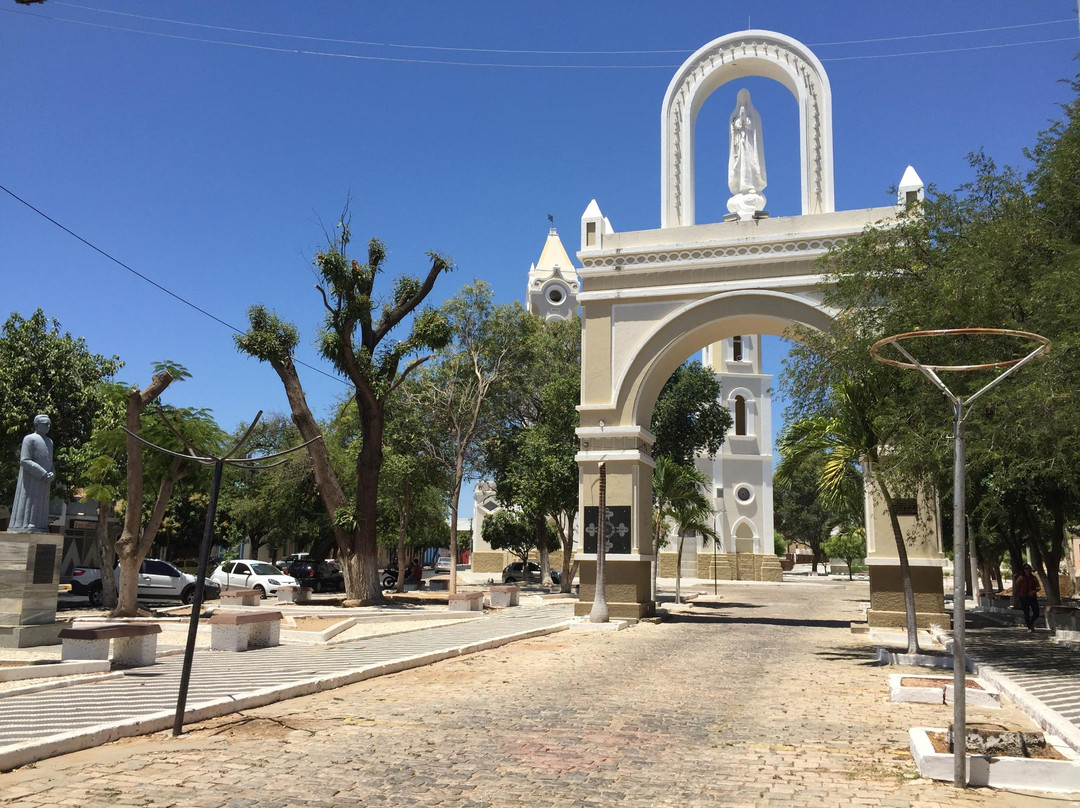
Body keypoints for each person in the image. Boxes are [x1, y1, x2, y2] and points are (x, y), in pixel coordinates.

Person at [7, 414, 55, 533]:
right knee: (30, 502)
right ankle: (26, 524)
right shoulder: (29, 439)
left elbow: (50, 462)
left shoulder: (50, 442)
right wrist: (42, 473)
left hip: (45, 480)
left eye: (49, 424)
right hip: (32, 479)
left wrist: (52, 473)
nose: (48, 426)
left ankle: (40, 525)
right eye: (45, 424)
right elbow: (24, 460)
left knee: (42, 503)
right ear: (37, 425)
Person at [1016, 564, 1041, 632]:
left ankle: (1031, 622)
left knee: (1036, 613)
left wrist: (1034, 591)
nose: (1028, 570)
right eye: (1026, 568)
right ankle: (1030, 627)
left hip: (1032, 596)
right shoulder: (1021, 578)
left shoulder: (1034, 578)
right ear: (1024, 570)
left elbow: (1039, 587)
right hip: (1024, 596)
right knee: (1026, 612)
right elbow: (1017, 585)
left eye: (1029, 568)